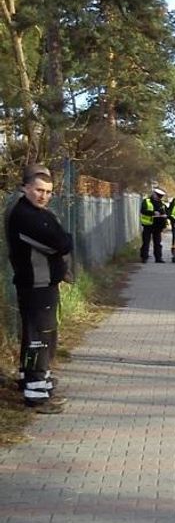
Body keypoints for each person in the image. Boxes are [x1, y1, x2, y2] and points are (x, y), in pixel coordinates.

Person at [5, 164, 74, 412]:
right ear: (25, 188)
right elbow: (61, 242)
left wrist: (63, 239)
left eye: (48, 191)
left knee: (41, 335)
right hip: (36, 285)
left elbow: (61, 238)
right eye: (38, 190)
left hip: (42, 284)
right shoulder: (25, 216)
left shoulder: (36, 211)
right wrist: (63, 240)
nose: (43, 196)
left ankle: (32, 378)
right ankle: (36, 393)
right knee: (40, 338)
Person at [139, 186, 168, 263]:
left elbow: (166, 212)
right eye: (157, 195)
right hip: (148, 225)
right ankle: (144, 257)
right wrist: (153, 213)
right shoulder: (146, 201)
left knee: (157, 243)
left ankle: (158, 258)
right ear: (154, 194)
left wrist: (164, 216)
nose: (159, 197)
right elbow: (143, 211)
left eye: (160, 196)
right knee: (146, 242)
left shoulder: (162, 203)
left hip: (158, 226)